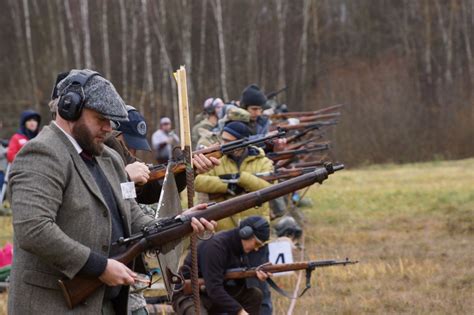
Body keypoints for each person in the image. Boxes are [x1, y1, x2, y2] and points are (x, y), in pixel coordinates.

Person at [7, 69, 215, 314]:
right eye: (100, 119)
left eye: (112, 121)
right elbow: (34, 229)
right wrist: (99, 267)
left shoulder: (110, 159)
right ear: (69, 108)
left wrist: (179, 223)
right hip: (52, 305)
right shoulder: (41, 154)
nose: (108, 128)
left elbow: (134, 217)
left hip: (105, 304)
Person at [173, 216, 271, 315]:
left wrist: (255, 275)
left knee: (254, 295)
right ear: (245, 233)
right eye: (256, 244)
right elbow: (214, 290)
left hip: (210, 293)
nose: (256, 249)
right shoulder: (216, 247)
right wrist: (240, 312)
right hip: (189, 295)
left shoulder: (239, 248)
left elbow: (238, 279)